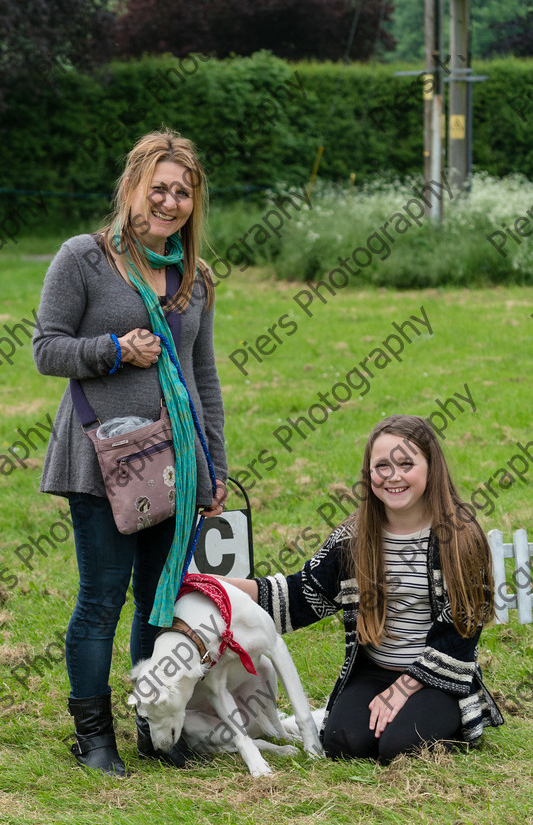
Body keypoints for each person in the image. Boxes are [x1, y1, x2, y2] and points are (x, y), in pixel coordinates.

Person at [33, 128, 228, 776]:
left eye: (182, 193)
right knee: (102, 599)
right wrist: (114, 350)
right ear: (131, 188)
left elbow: (203, 380)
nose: (169, 202)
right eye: (158, 189)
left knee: (158, 600)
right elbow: (46, 348)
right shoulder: (83, 259)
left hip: (175, 466)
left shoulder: (192, 278)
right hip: (100, 461)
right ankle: (94, 739)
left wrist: (215, 467)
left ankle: (155, 724)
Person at [222, 415, 504, 763]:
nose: (393, 476)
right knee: (344, 743)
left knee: (399, 748)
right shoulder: (353, 537)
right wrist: (220, 586)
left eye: (406, 464)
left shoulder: (459, 535)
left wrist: (405, 687)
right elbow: (301, 595)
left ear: (431, 468)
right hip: (373, 671)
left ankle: (458, 721)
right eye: (381, 466)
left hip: (437, 677)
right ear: (369, 474)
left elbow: (462, 630)